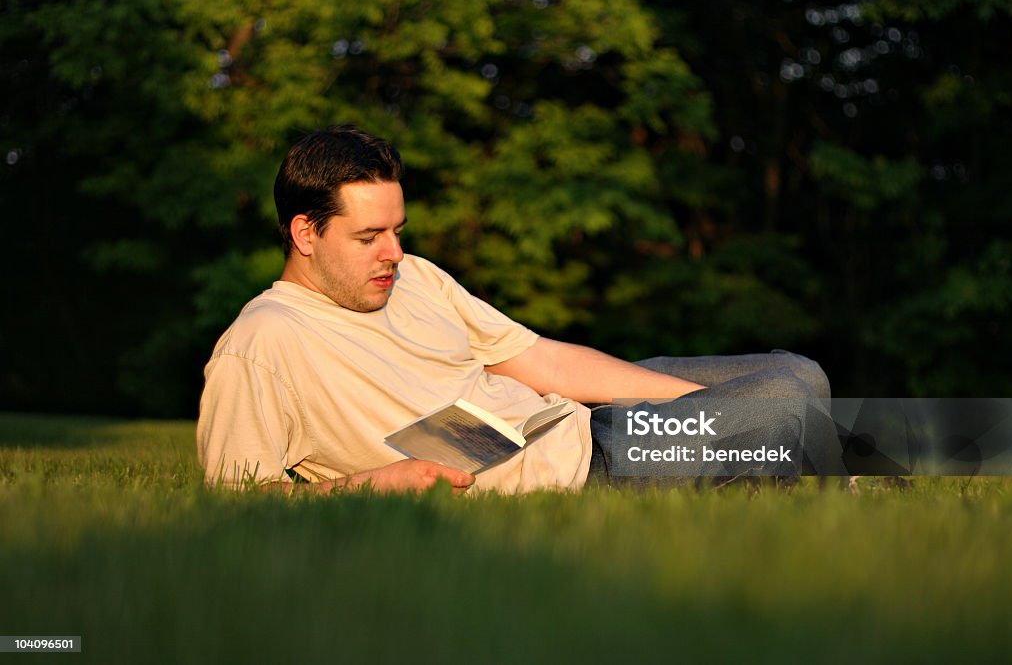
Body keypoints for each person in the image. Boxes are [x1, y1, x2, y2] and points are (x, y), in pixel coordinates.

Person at [197, 125, 833, 494]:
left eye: (396, 229)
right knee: (782, 398)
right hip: (581, 473)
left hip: (575, 422)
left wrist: (699, 410)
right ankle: (815, 457)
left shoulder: (412, 276)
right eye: (368, 238)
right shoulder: (261, 343)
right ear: (305, 234)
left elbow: (545, 362)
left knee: (800, 377)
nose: (394, 253)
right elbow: (238, 503)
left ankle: (796, 451)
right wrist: (375, 483)